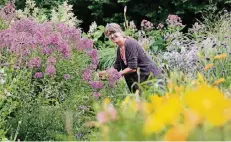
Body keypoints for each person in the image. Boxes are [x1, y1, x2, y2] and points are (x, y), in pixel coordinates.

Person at [99, 23, 162, 93]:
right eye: (109, 34)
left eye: (113, 32)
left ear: (119, 32)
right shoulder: (119, 48)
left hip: (150, 77)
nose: (112, 36)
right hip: (140, 81)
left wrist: (118, 75)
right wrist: (106, 73)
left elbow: (132, 68)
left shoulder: (130, 43)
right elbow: (117, 67)